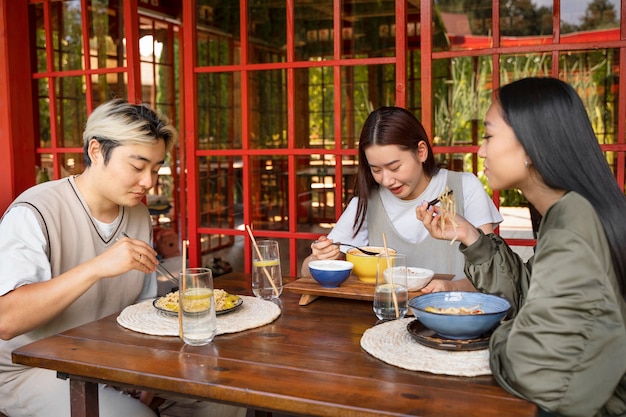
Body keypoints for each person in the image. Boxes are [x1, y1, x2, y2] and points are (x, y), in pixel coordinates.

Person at [0, 99, 245, 417]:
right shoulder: (34, 212)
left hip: (110, 358)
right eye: (137, 166)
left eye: (156, 169)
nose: (149, 182)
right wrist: (97, 268)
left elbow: (139, 311)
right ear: (96, 151)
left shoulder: (138, 213)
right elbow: (7, 322)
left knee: (224, 398)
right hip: (30, 367)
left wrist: (144, 366)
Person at [416, 77, 626, 416]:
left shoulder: (576, 227)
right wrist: (471, 237)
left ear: (529, 146)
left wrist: (503, 333)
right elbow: (530, 295)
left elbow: (540, 372)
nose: (480, 150)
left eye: (488, 135)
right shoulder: (571, 211)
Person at [301, 106, 503, 291]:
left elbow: (495, 271)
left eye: (395, 167)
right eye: (376, 170)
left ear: (421, 152)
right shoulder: (367, 202)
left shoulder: (464, 187)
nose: (387, 180)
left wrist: (452, 287)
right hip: (385, 317)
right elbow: (306, 272)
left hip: (458, 316)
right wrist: (318, 257)